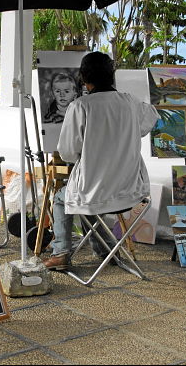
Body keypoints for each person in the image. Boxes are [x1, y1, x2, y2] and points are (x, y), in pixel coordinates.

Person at [43, 52, 160, 270]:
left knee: (63, 198)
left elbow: (67, 152)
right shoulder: (130, 102)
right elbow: (150, 118)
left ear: (83, 78)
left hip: (94, 192)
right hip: (132, 191)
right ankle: (106, 251)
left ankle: (61, 253)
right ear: (111, 75)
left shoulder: (80, 106)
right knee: (88, 198)